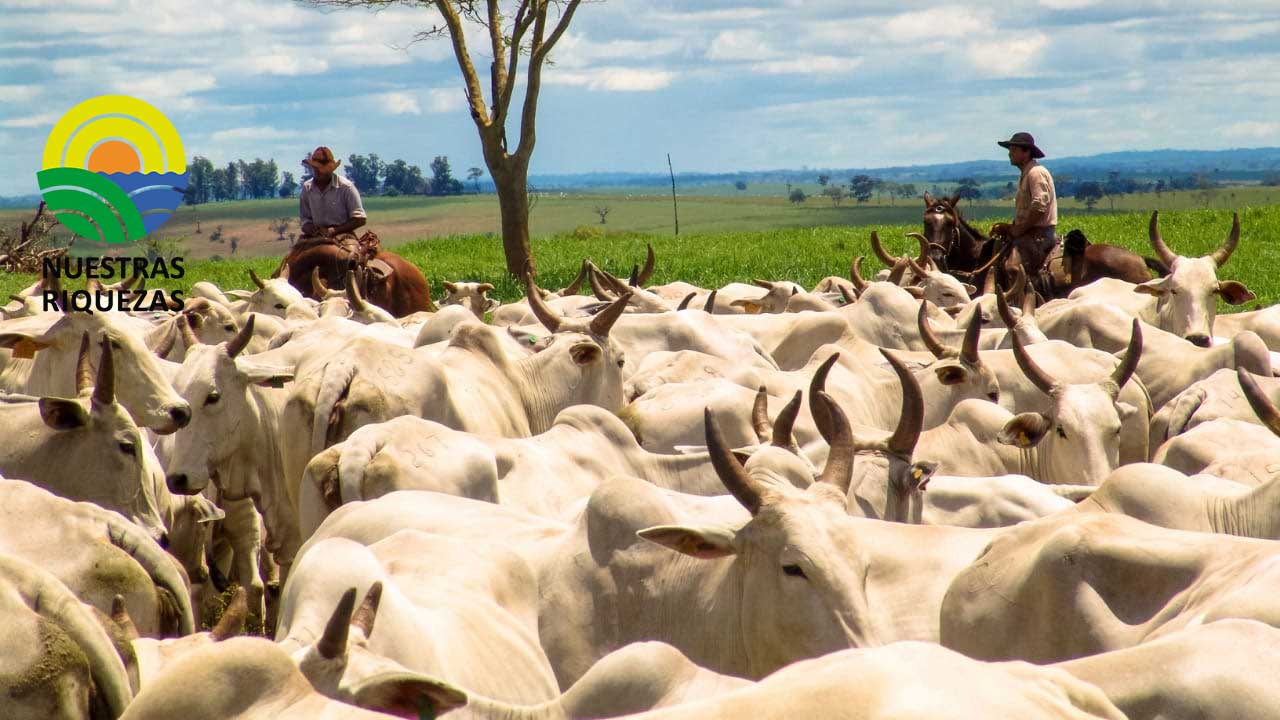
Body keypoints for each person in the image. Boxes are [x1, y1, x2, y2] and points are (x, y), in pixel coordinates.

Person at [990, 132, 1058, 278]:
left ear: (1026, 152)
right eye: (1010, 150)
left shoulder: (1035, 173)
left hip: (1040, 235)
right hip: (1029, 233)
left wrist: (1019, 229)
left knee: (1012, 268)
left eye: (1014, 150)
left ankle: (1019, 299)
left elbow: (1039, 207)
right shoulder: (1027, 173)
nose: (1009, 154)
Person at [299, 146, 367, 240]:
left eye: (321, 169)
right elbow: (304, 218)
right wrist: (309, 228)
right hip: (315, 235)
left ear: (330, 170)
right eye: (315, 168)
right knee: (296, 254)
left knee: (350, 254)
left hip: (343, 235)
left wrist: (335, 230)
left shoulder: (346, 187)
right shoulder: (307, 188)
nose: (318, 172)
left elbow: (360, 219)